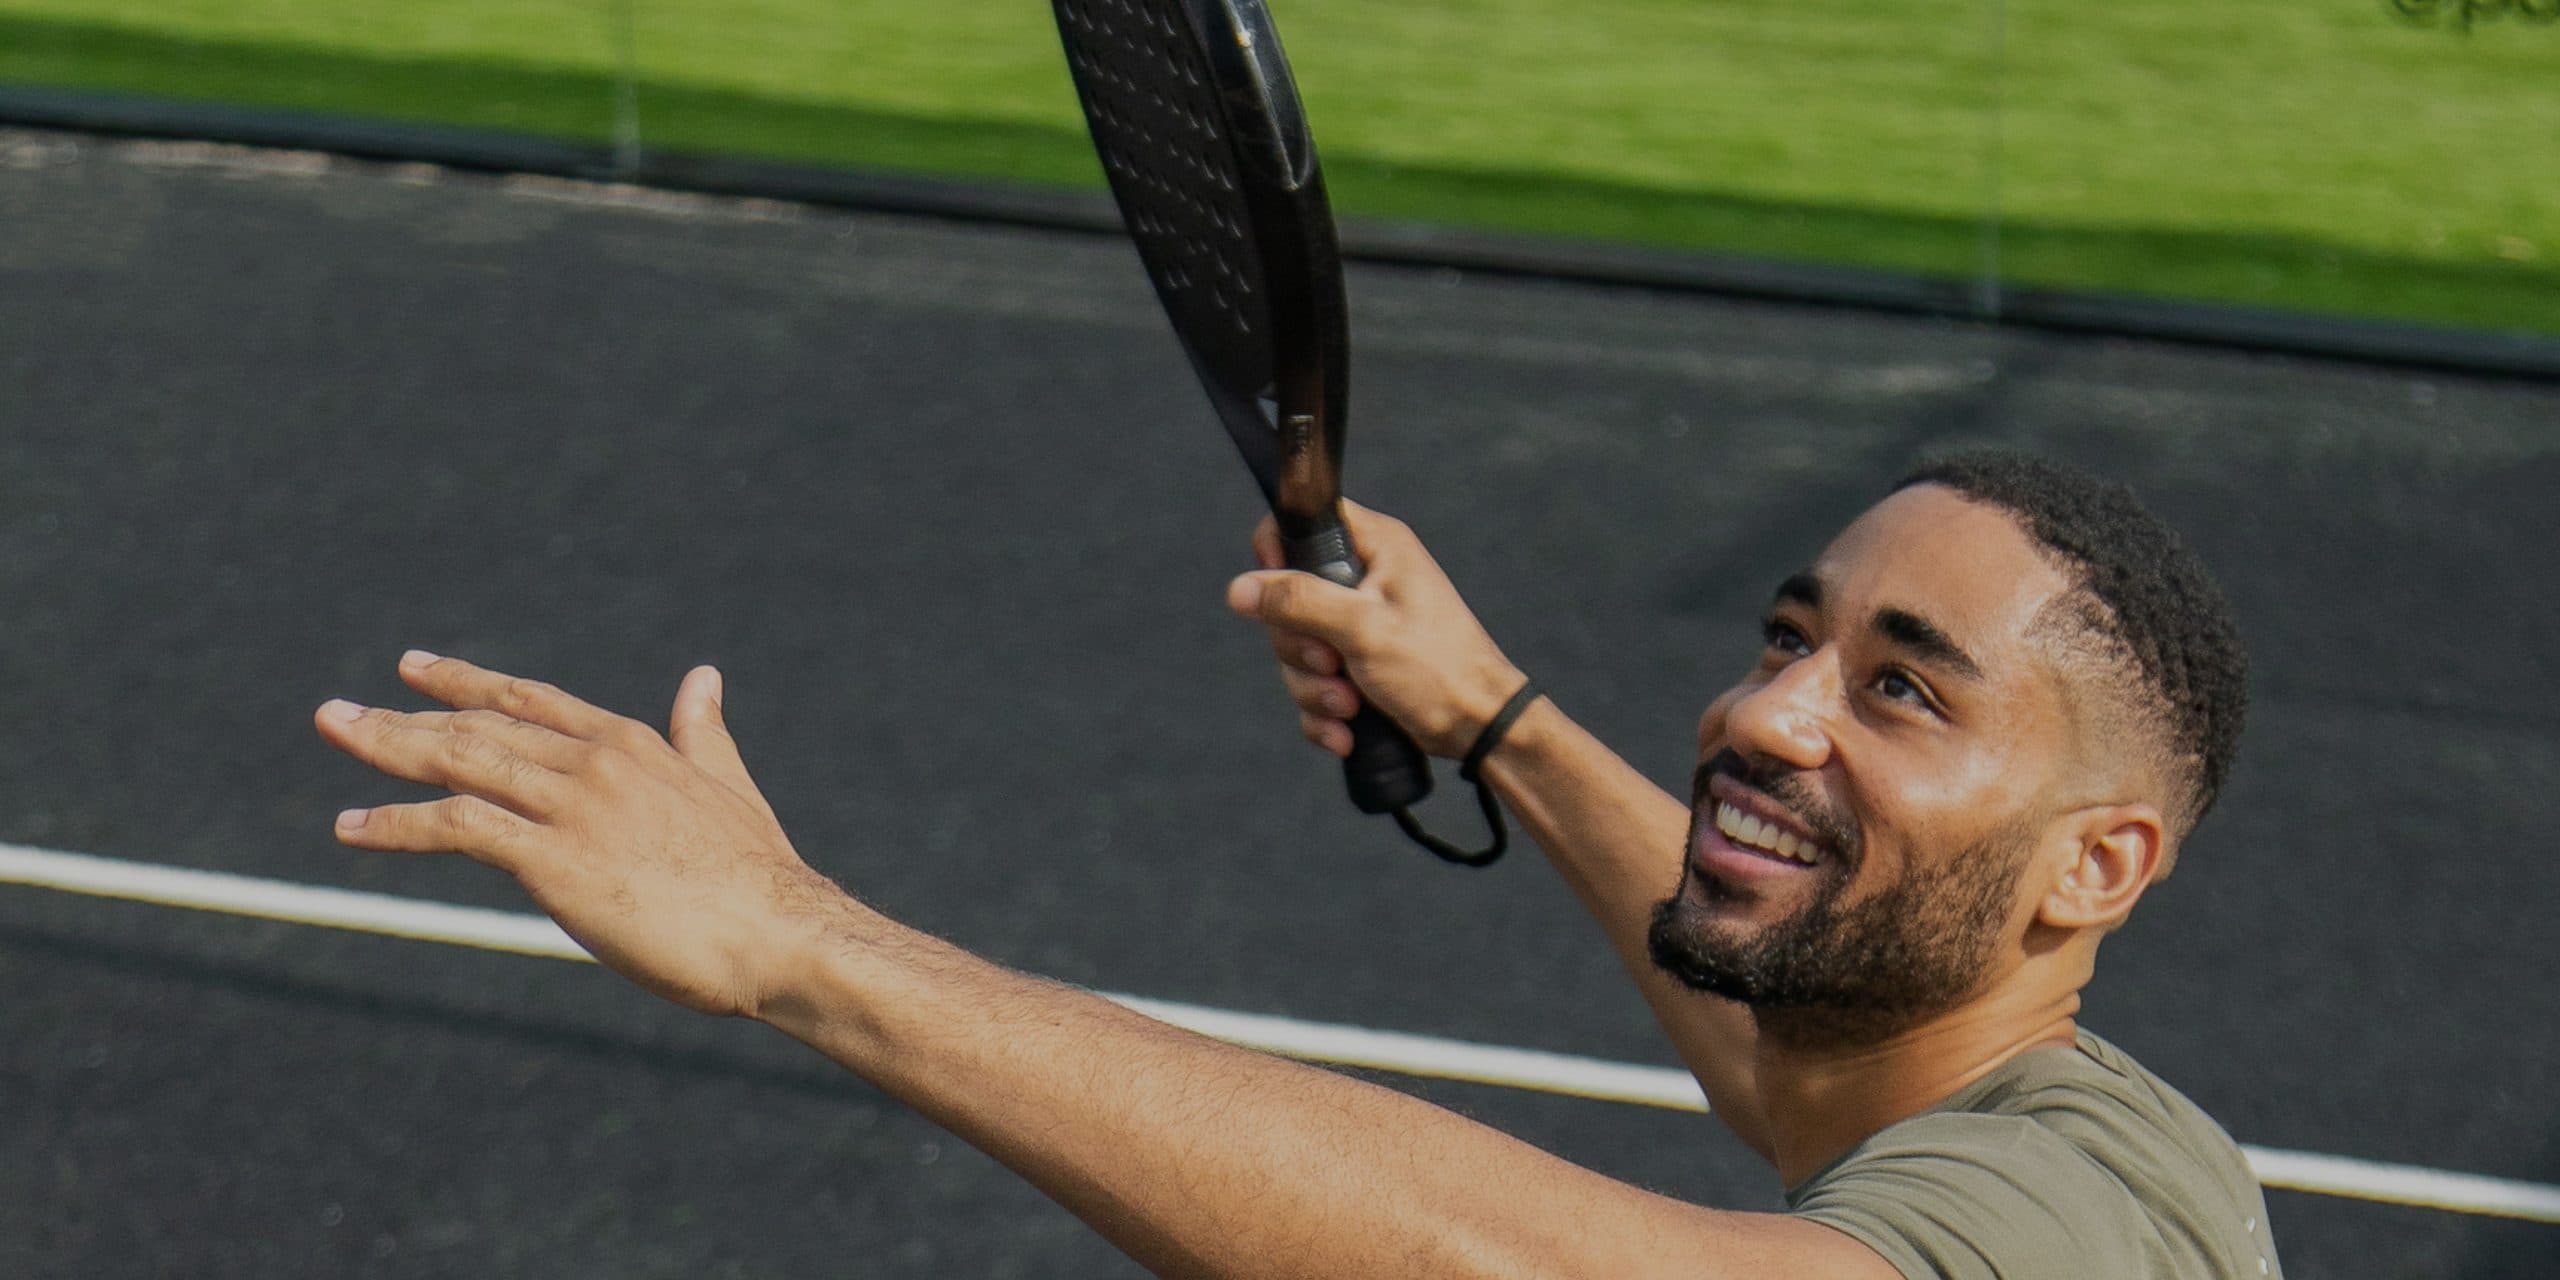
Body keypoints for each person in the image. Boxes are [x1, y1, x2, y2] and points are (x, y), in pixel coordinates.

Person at [314, 447, 2282, 1278]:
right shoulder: (2056, 1112)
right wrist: (1491, 715)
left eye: (1901, 692)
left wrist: (800, 941)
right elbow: (1781, 1060)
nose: (1768, 714)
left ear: (2092, 865)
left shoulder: (2074, 1229)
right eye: (1787, 638)